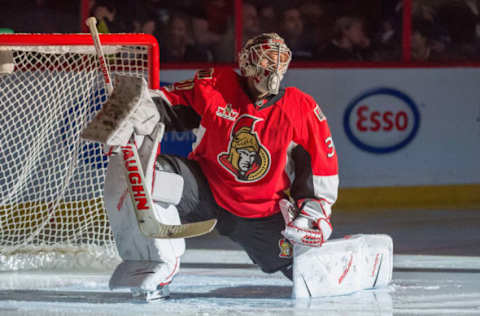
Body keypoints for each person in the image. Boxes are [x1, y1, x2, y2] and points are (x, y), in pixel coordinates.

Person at [101, 33, 339, 300]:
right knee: (153, 176)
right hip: (204, 190)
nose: (271, 70)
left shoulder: (300, 107)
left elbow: (319, 165)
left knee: (301, 268)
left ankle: (323, 264)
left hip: (259, 210)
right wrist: (130, 109)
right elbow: (167, 105)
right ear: (246, 63)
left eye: (276, 62)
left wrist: (314, 208)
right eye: (264, 61)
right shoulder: (215, 85)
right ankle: (160, 263)